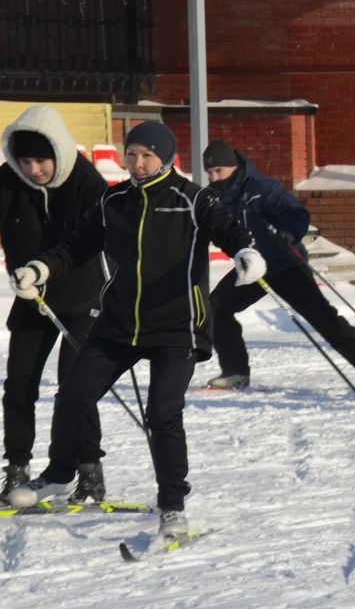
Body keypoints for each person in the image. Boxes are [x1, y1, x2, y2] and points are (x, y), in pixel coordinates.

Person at [5, 121, 262, 539]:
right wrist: (41, 268)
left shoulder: (193, 199)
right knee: (73, 393)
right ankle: (58, 475)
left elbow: (228, 230)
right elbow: (76, 245)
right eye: (132, 155)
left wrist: (246, 252)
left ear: (166, 157)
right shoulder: (113, 199)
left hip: (176, 327)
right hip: (119, 324)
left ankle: (173, 505)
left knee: (162, 413)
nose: (138, 164)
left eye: (147, 155)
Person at [202, 142, 355, 395]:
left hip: (285, 265)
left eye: (219, 170)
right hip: (252, 268)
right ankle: (235, 372)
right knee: (217, 306)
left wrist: (290, 233)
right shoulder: (213, 199)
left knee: (325, 320)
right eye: (210, 172)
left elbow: (296, 213)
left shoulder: (261, 189)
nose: (214, 177)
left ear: (234, 167)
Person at [0, 107, 106, 505]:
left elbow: (94, 235)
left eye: (41, 160)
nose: (34, 169)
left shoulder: (84, 180)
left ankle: (89, 471)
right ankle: (16, 469)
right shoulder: (9, 180)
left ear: (57, 154)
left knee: (75, 387)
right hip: (31, 298)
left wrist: (45, 268)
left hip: (80, 299)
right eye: (25, 161)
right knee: (19, 385)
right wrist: (22, 273)